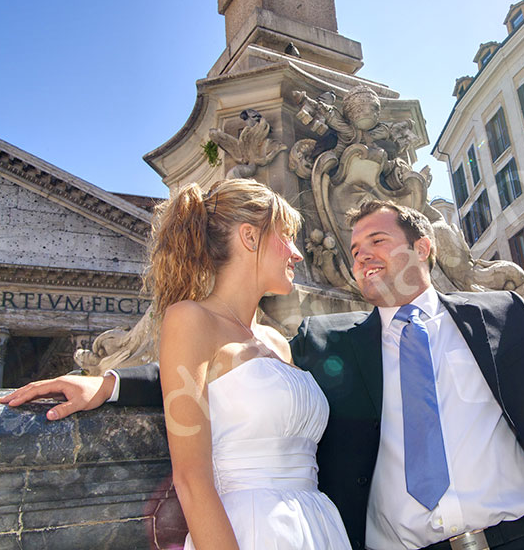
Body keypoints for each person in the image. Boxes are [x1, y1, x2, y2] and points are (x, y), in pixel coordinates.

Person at [2, 200, 524, 550]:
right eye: (355, 247)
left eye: (379, 239)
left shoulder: (499, 315)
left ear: (422, 249)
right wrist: (109, 385)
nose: (362, 254)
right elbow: (220, 384)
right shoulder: (323, 341)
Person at [20, 178, 352, 550]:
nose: (297, 253)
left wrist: (114, 384)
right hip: (250, 530)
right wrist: (109, 383)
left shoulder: (277, 341)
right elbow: (192, 480)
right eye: (286, 236)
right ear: (250, 237)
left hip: (317, 526)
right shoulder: (190, 319)